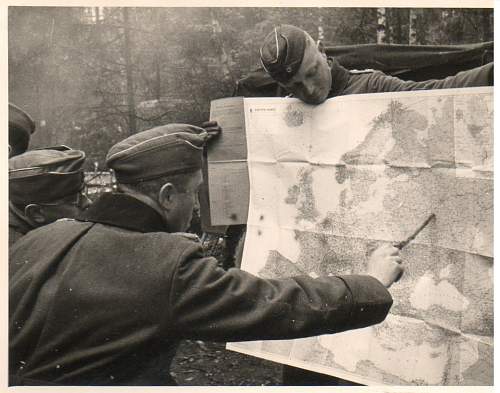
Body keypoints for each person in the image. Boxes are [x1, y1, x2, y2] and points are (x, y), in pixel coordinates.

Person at [10, 123, 403, 386]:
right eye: (194, 193)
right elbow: (274, 303)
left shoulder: (38, 240)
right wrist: (370, 283)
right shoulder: (166, 265)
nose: (197, 209)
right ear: (166, 196)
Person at [260, 24, 493, 105]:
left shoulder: (371, 86)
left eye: (312, 73)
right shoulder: (286, 111)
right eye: (296, 87)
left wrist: (492, 73)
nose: (309, 91)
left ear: (322, 50)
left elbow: (433, 93)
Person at [9, 146, 91, 247]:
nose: (88, 202)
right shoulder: (15, 249)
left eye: (83, 193)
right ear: (36, 213)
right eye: (76, 200)